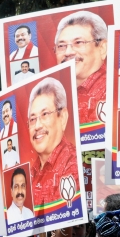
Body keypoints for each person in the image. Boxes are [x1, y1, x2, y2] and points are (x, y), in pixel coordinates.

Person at [27, 77, 78, 209]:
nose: (37, 125)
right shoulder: (29, 173)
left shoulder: (74, 165)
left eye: (45, 114)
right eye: (32, 119)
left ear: (63, 117)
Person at [56, 11, 108, 128]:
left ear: (102, 48)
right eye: (61, 46)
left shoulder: (115, 90)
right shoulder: (54, 96)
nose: (68, 52)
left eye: (78, 42)